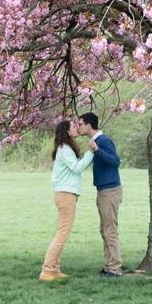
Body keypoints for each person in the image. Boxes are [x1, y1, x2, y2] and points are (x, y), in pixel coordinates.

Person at [39, 119, 94, 282]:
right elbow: (77, 168)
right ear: (67, 132)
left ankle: (54, 269)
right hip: (65, 194)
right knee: (63, 233)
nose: (77, 128)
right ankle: (47, 270)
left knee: (62, 231)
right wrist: (90, 152)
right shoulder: (65, 149)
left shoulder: (65, 148)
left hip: (65, 194)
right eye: (73, 127)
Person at [76, 112, 123, 277]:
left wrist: (97, 150)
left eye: (80, 124)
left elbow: (116, 162)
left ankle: (115, 268)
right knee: (105, 230)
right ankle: (110, 265)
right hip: (103, 191)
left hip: (110, 191)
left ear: (89, 125)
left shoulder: (103, 141)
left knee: (109, 230)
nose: (78, 127)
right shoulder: (96, 141)